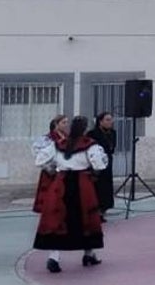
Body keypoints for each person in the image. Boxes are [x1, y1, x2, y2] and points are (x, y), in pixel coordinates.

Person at [33, 115, 108, 273]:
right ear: (84, 129)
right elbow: (99, 164)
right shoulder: (89, 145)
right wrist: (93, 173)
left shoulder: (59, 144)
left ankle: (54, 257)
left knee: (59, 218)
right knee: (85, 218)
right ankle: (88, 254)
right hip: (82, 183)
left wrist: (51, 168)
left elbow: (39, 159)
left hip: (61, 182)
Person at [32, 115, 68, 216]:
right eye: (63, 122)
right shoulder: (47, 138)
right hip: (50, 170)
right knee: (49, 193)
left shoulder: (67, 136)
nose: (66, 125)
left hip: (63, 169)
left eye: (66, 122)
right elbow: (38, 153)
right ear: (56, 124)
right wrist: (47, 166)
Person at [88, 112, 117, 217]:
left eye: (111, 119)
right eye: (107, 120)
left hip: (108, 162)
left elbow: (112, 148)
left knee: (107, 185)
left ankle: (105, 208)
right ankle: (97, 209)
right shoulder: (92, 134)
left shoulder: (113, 133)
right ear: (100, 122)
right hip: (96, 164)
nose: (110, 122)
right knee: (98, 186)